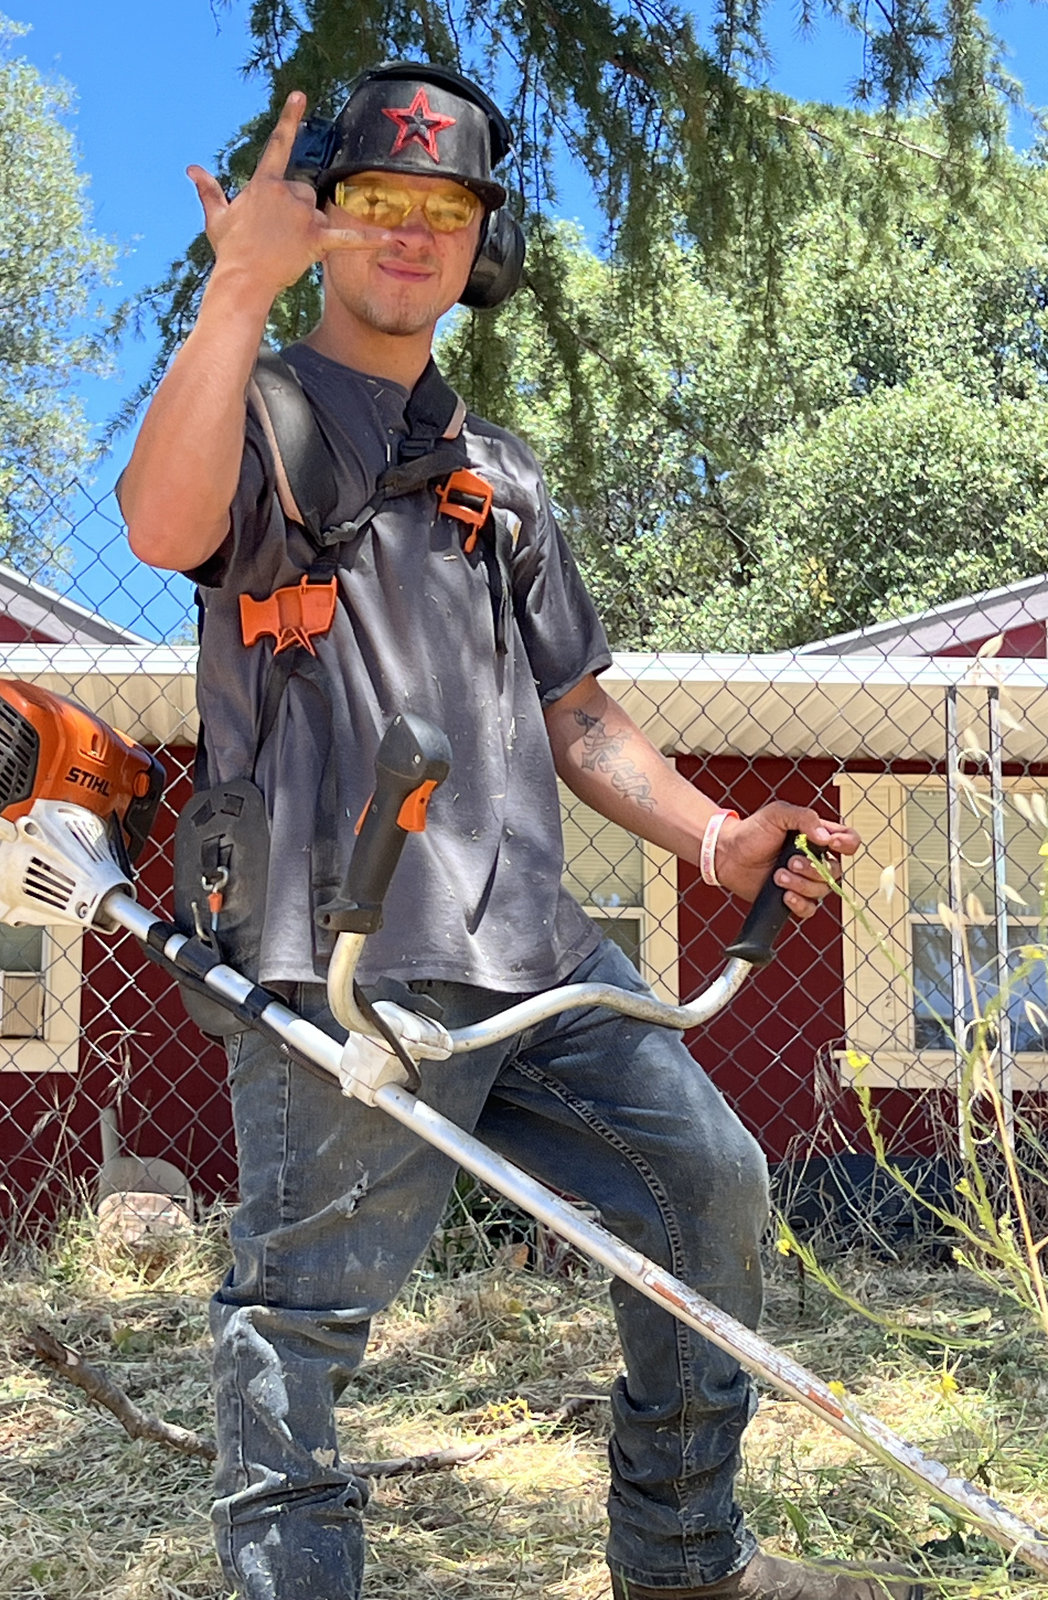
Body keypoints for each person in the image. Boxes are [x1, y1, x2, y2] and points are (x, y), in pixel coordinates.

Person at [121, 63, 913, 1600]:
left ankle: (685, 1560)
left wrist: (711, 837)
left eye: (446, 209)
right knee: (299, 1321)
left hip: (541, 958)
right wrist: (232, 301)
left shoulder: (505, 475)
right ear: (323, 226)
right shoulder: (268, 407)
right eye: (373, 204)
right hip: (344, 955)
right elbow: (161, 525)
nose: (409, 234)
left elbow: (580, 718)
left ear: (483, 244)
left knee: (711, 1192)